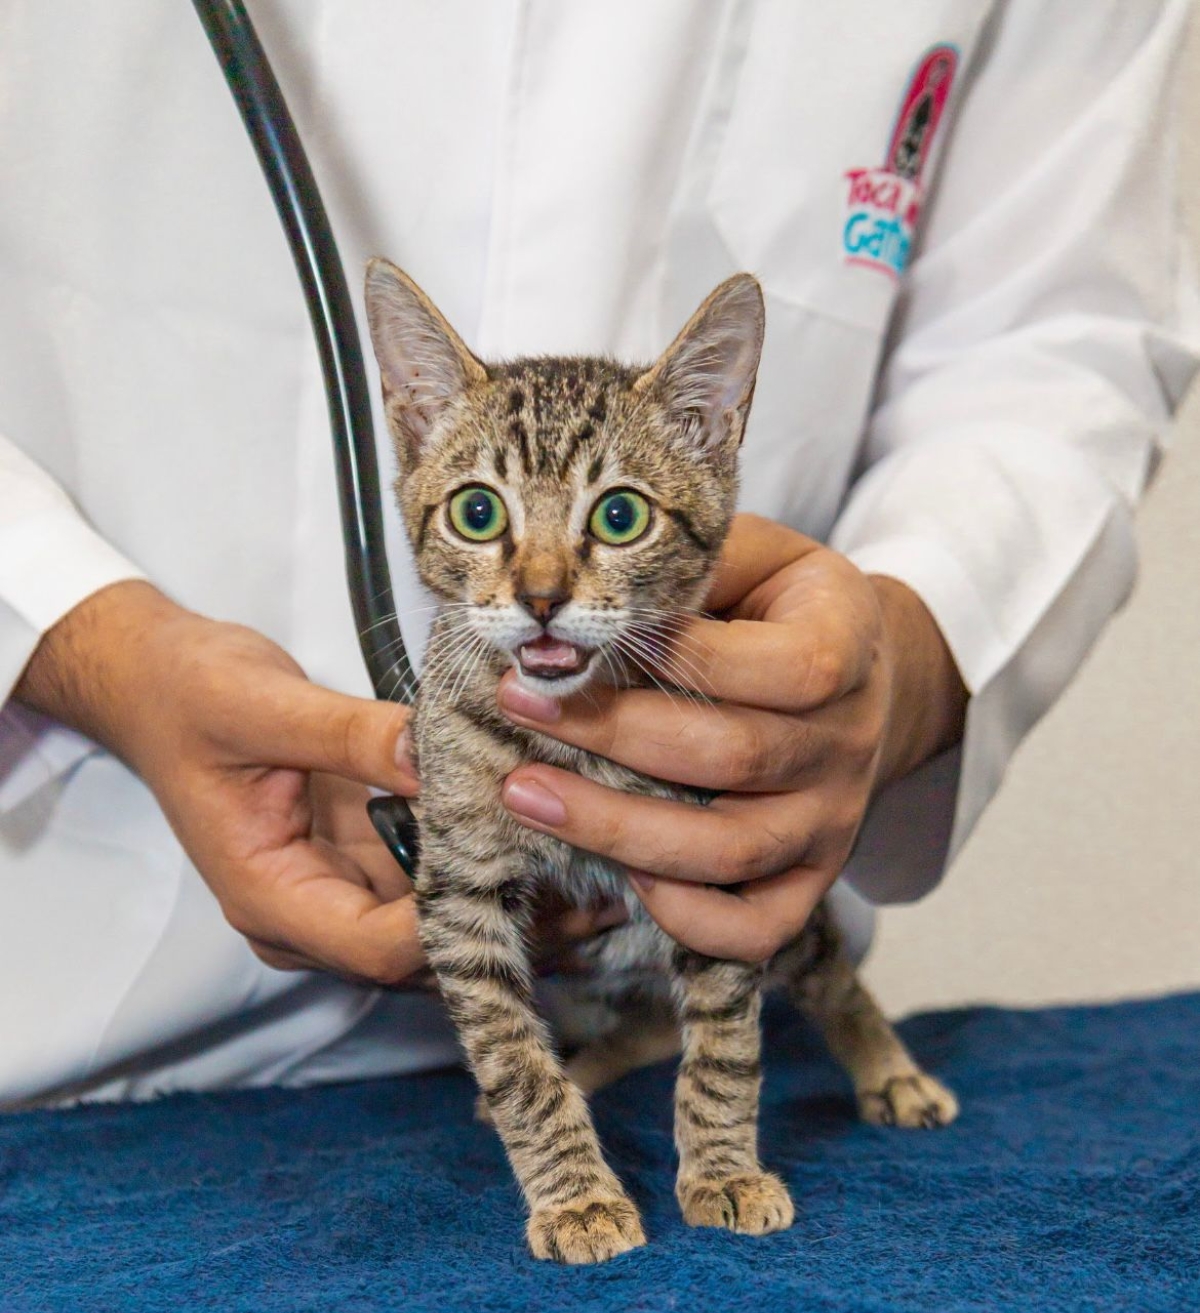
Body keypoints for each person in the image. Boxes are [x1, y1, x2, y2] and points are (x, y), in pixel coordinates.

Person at [1, 1, 1196, 1106]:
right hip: (101, 1032)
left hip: (686, 1008)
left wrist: (907, 664)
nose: (540, 587)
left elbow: (1056, 340)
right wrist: (79, 639)